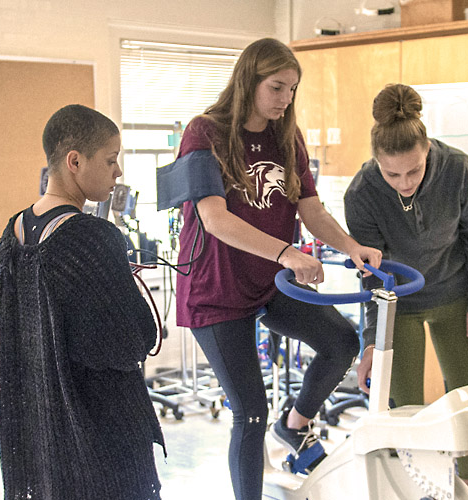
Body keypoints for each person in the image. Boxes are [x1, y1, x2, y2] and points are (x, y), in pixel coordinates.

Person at [171, 37, 381, 500]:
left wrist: (352, 246)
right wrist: (287, 253)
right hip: (216, 288)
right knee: (249, 412)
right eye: (277, 87)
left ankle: (296, 423)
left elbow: (311, 210)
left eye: (292, 89)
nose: (286, 99)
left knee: (340, 341)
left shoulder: (286, 135)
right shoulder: (204, 132)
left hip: (267, 283)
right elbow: (214, 217)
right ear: (249, 80)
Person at [0, 104, 164, 499]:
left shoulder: (13, 232)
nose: (117, 172)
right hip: (98, 427)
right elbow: (132, 340)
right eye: (110, 160)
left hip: (40, 418)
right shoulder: (92, 237)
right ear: (74, 161)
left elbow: (12, 336)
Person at [344, 83, 468, 490]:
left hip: (455, 296)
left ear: (428, 150)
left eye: (414, 169)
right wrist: (371, 340)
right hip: (399, 305)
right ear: (377, 162)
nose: (405, 182)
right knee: (406, 413)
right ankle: (418, 490)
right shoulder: (362, 193)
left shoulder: (458, 168)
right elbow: (371, 275)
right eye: (392, 173)